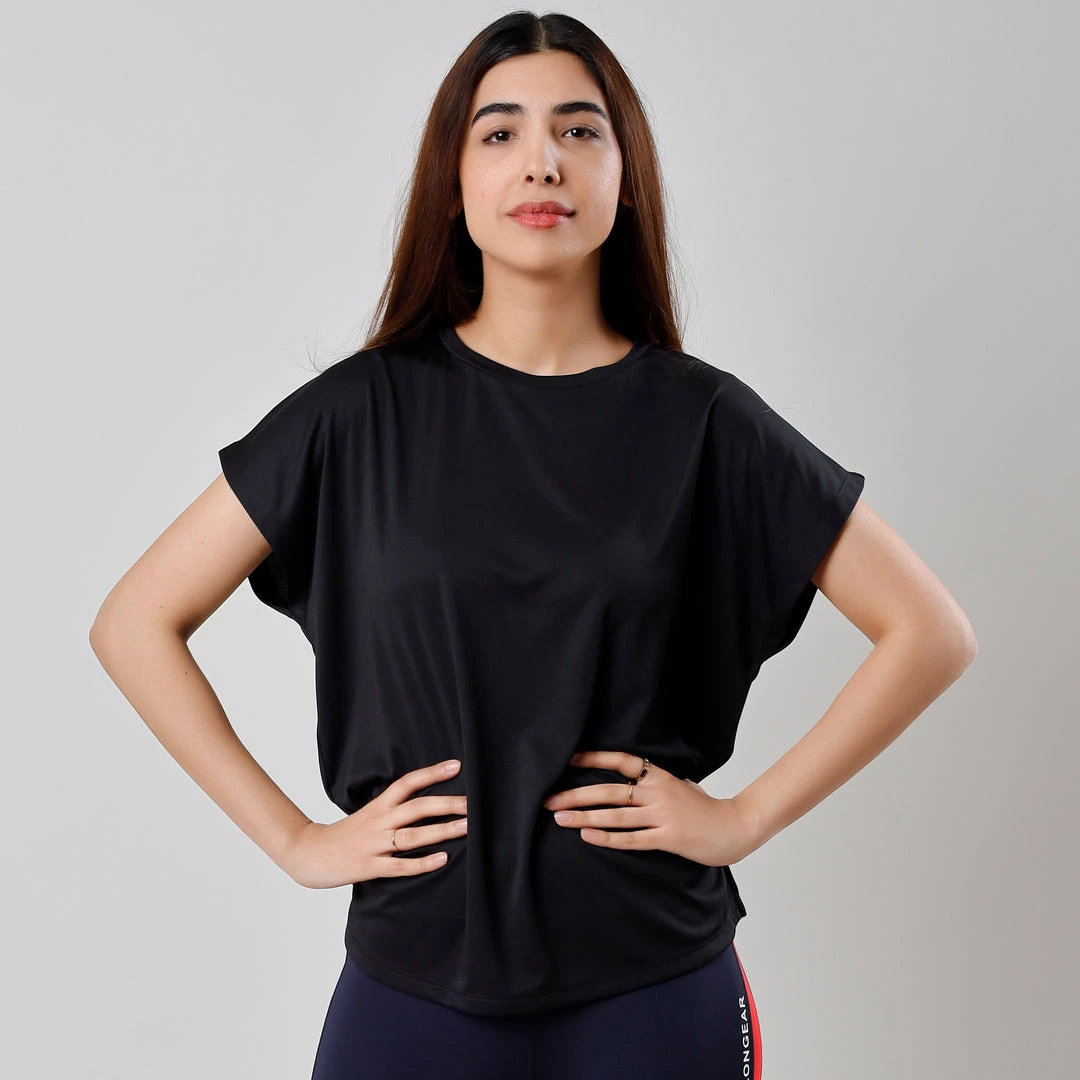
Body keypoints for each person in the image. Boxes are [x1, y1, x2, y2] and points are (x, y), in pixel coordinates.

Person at [89, 11, 977, 1080]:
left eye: (579, 130)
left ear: (626, 178)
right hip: (412, 983)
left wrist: (744, 818)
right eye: (500, 133)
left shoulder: (705, 423)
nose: (542, 162)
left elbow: (930, 631)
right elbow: (134, 622)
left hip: (652, 983)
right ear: (453, 183)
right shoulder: (356, 415)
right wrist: (295, 841)